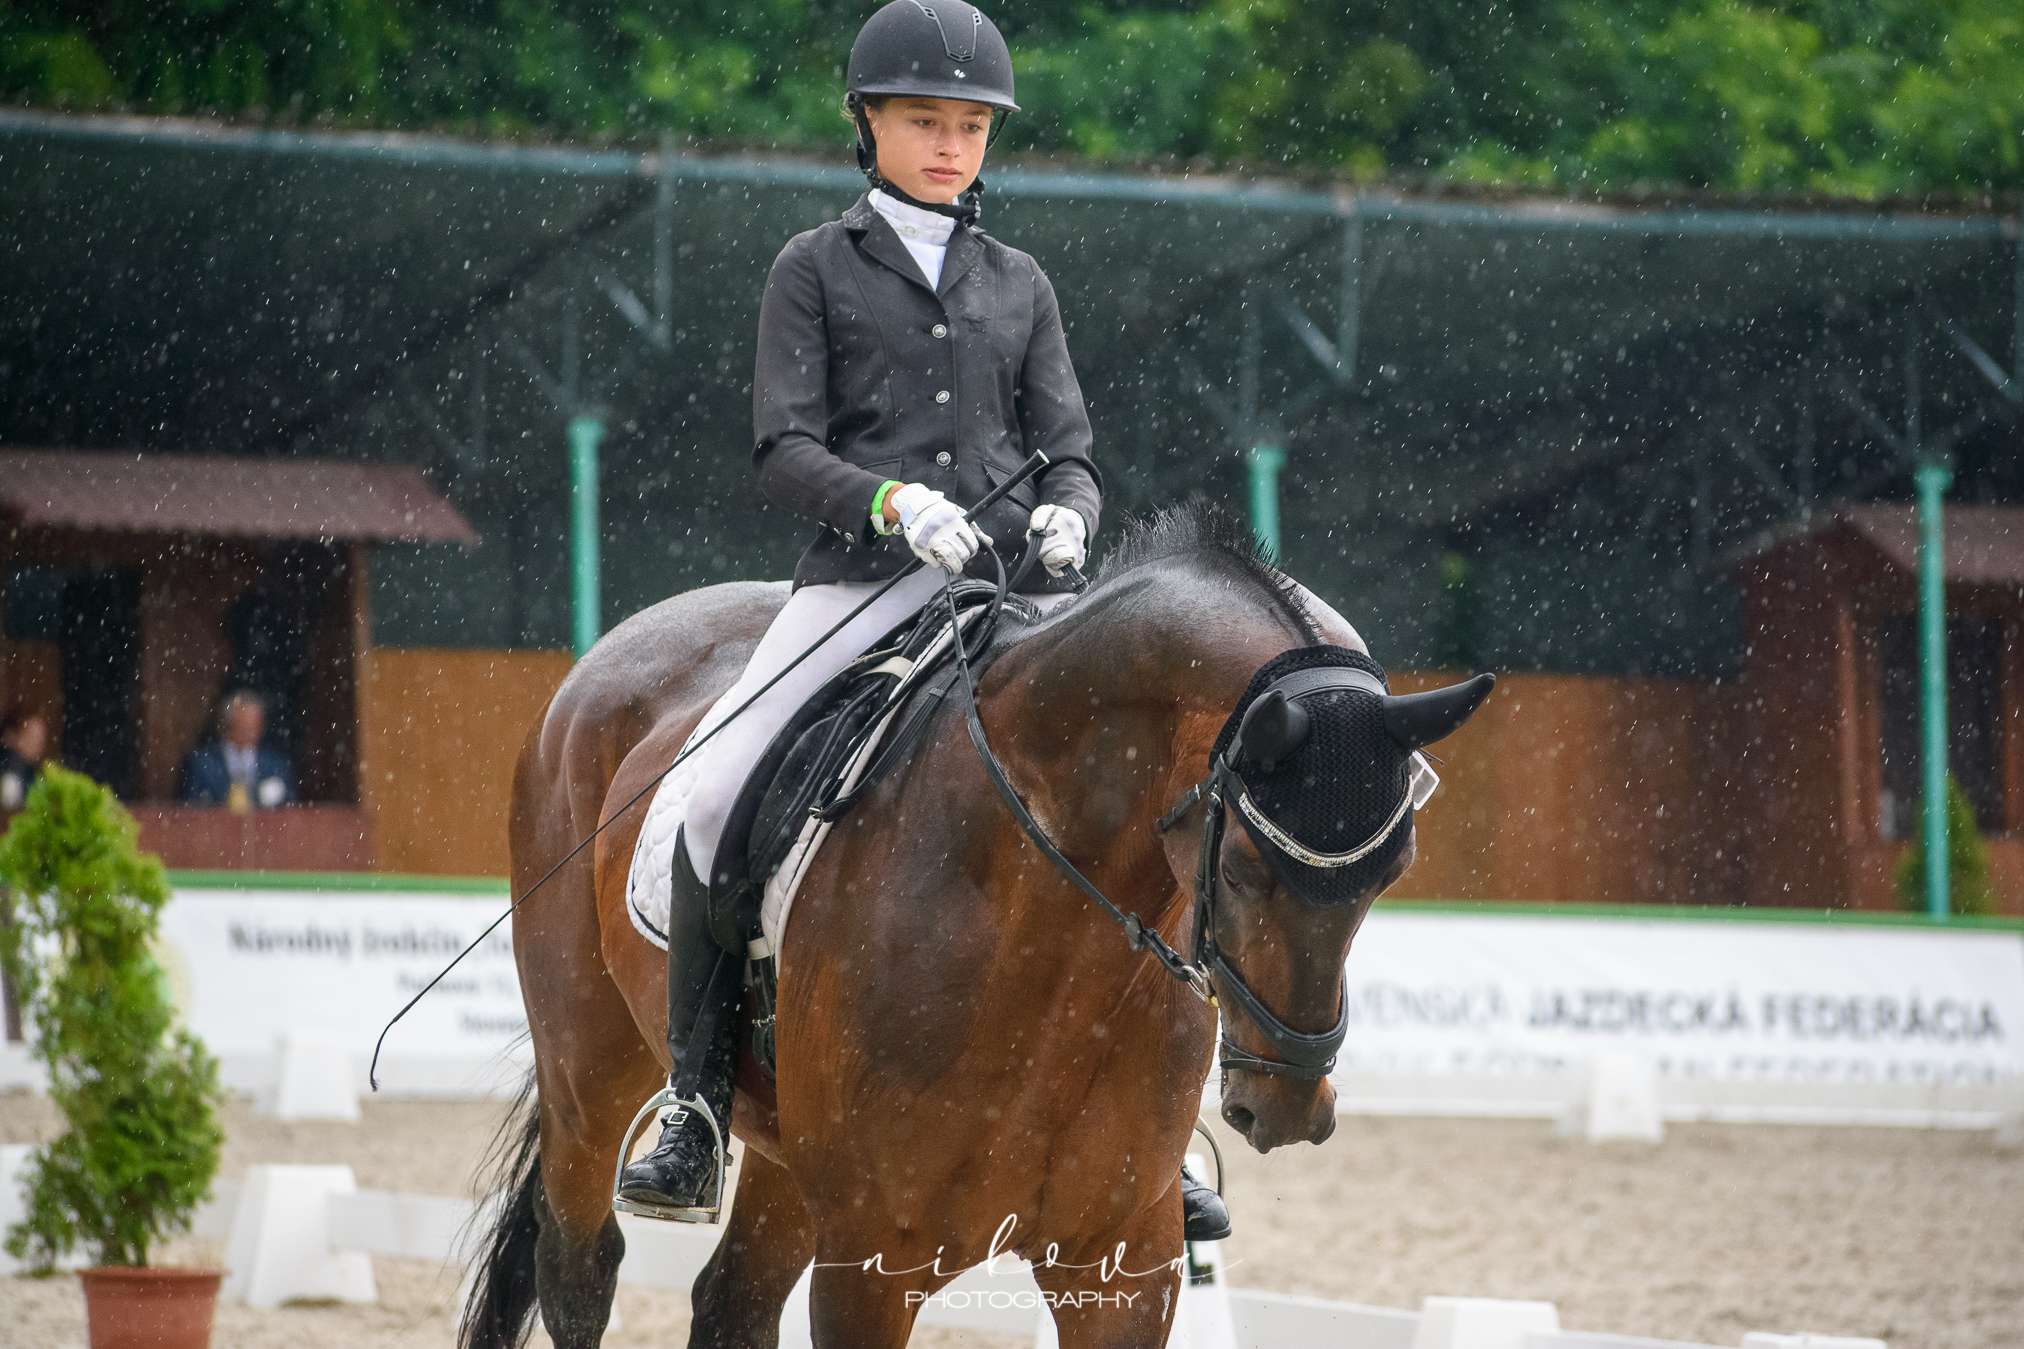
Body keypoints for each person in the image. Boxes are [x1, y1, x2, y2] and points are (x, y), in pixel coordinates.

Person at [616, 0, 1232, 1243]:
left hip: (1015, 593)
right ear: (868, 125)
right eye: (922, 122)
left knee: (1146, 811)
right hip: (860, 583)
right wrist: (890, 501)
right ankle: (692, 1099)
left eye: (968, 127)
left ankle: (1158, 1131)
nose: (948, 145)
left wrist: (1068, 513)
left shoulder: (1020, 281)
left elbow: (1069, 448)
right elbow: (782, 445)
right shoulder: (814, 265)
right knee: (717, 793)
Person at [178, 690, 296, 811]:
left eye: (255, 725)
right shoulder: (201, 763)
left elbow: (290, 809)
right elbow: (190, 807)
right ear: (227, 725)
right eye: (245, 726)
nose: (252, 732)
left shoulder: (276, 765)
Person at [0, 706, 50, 811]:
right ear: (18, 736)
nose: (38, 743)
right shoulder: (10, 767)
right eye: (33, 736)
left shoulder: (39, 772)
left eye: (41, 738)